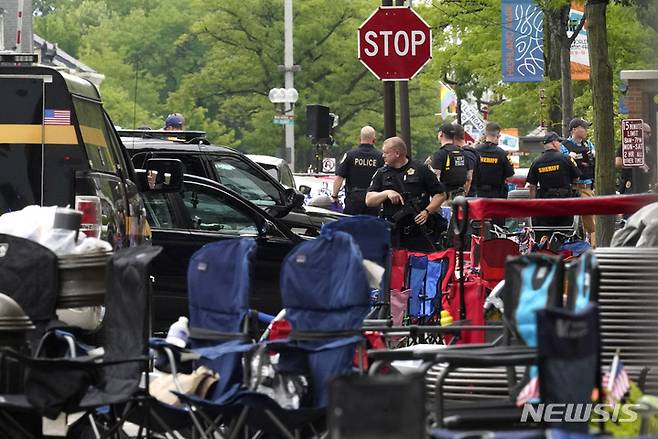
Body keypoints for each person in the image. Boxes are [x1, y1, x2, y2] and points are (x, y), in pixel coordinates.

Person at [366, 136, 446, 252]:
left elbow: (440, 194)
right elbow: (369, 200)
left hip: (418, 232)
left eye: (386, 152)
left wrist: (427, 212)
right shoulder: (382, 173)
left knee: (420, 265)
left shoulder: (421, 170)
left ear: (397, 153)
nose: (383, 155)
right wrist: (386, 193)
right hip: (393, 233)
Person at [528, 132, 581, 228]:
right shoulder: (566, 159)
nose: (560, 144)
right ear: (553, 143)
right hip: (565, 203)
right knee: (566, 232)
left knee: (546, 232)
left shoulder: (536, 162)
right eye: (559, 142)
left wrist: (533, 205)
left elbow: (532, 186)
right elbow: (576, 177)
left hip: (545, 205)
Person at [331, 126, 384, 215]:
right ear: (374, 140)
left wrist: (334, 196)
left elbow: (339, 177)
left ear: (359, 139)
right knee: (371, 226)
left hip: (353, 200)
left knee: (352, 225)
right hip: (373, 199)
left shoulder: (350, 155)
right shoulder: (380, 157)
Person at [561, 117, 595, 243]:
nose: (586, 130)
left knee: (591, 219)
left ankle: (593, 246)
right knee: (571, 221)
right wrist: (567, 158)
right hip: (572, 187)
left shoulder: (589, 145)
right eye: (583, 127)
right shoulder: (564, 146)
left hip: (587, 186)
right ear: (574, 130)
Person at [430, 123, 472, 198]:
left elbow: (434, 180)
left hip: (444, 198)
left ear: (440, 134)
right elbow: (469, 178)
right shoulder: (463, 153)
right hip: (460, 197)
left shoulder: (439, 154)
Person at [475, 122, 515, 198]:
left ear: (485, 134)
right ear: (498, 135)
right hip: (497, 195)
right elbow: (510, 177)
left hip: (478, 194)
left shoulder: (476, 150)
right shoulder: (502, 153)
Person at [615, 122, 654, 194]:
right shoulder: (627, 145)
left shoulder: (649, 147)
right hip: (630, 184)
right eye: (647, 133)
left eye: (650, 133)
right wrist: (637, 164)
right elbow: (618, 163)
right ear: (640, 132)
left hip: (644, 185)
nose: (649, 135)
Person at [454, 125, 479, 196]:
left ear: (453, 138)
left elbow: (468, 179)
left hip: (468, 197)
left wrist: (463, 196)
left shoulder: (467, 154)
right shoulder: (469, 152)